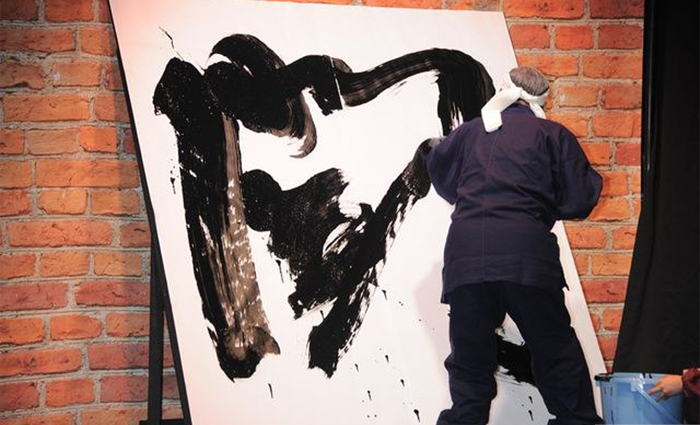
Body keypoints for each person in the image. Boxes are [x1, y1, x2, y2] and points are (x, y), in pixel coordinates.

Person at [427, 65, 603, 425]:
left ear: (502, 90)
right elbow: (580, 199)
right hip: (527, 255)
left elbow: (443, 177)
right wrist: (540, 202)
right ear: (541, 100)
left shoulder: (469, 132)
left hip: (466, 255)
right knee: (555, 351)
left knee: (470, 359)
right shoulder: (552, 135)